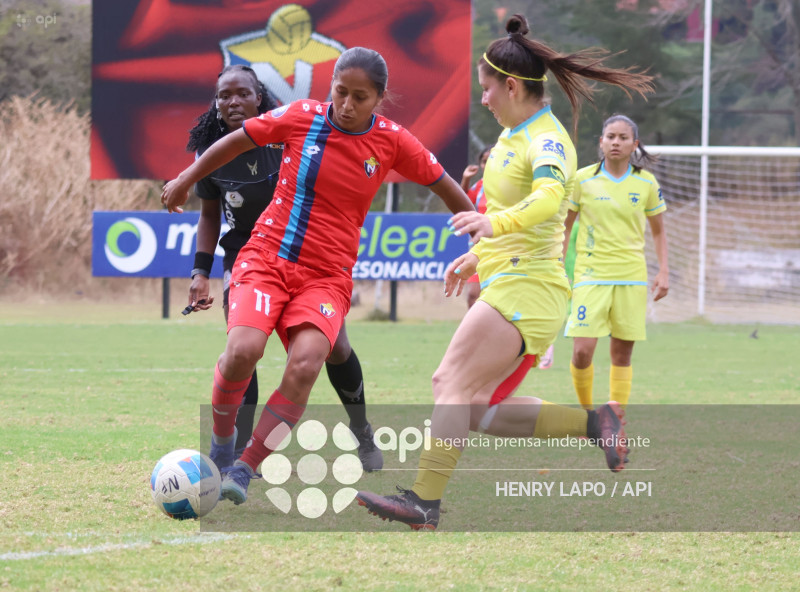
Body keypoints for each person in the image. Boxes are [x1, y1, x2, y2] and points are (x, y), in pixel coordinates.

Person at [356, 14, 654, 530]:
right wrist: (479, 256)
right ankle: (593, 422)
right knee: (475, 405)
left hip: (531, 287)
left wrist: (493, 224)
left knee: (448, 380)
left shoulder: (547, 141)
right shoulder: (515, 135)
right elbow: (522, 226)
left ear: (512, 85)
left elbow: (548, 200)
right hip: (514, 279)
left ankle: (424, 501)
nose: (484, 99)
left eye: (487, 89)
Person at [161, 47, 475, 505]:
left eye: (360, 97)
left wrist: (485, 241)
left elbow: (447, 187)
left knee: (309, 362)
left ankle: (245, 468)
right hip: (266, 257)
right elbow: (237, 139)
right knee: (243, 350)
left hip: (326, 277)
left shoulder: (393, 141)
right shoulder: (302, 116)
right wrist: (188, 177)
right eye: (340, 92)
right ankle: (221, 447)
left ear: (380, 98)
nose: (347, 105)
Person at [184, 64, 383, 472]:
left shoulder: (288, 136)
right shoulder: (212, 153)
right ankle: (235, 456)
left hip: (309, 258)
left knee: (336, 349)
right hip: (246, 255)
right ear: (216, 102)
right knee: (243, 351)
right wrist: (199, 272)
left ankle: (362, 429)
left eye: (243, 93)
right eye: (224, 95)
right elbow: (208, 216)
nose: (233, 102)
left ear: (261, 99)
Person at [564, 114, 669, 410]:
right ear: (601, 142)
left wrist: (663, 271)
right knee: (582, 351)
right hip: (590, 276)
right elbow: (566, 227)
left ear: (634, 144)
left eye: (623, 138)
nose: (616, 142)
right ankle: (587, 414)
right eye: (610, 136)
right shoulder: (583, 179)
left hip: (631, 278)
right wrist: (557, 264)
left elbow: (659, 231)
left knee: (621, 355)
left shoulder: (646, 182)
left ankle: (615, 420)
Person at [460, 145, 491, 309]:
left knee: (496, 296)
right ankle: (479, 334)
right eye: (484, 161)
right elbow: (462, 200)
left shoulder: (509, 185)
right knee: (473, 295)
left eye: (490, 159)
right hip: (479, 247)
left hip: (502, 246)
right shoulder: (480, 185)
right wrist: (466, 178)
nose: (487, 164)